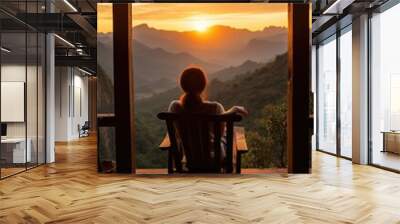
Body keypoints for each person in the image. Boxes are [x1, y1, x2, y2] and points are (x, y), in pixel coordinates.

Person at [168, 67, 248, 165]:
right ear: (203, 85)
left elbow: (176, 132)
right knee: (230, 136)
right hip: (215, 159)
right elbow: (221, 133)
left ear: (182, 85)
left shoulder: (175, 107)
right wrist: (234, 109)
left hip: (191, 159)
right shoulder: (215, 108)